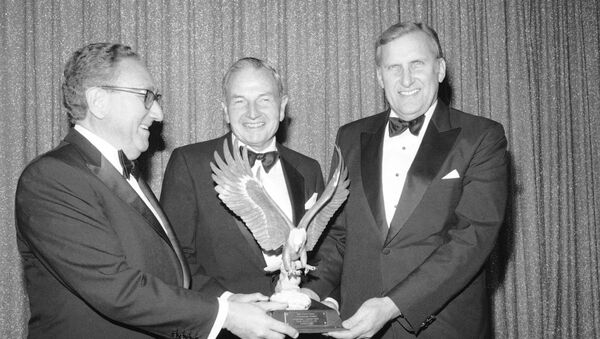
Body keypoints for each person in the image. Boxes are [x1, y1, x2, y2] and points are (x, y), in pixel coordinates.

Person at [15, 43, 298, 339]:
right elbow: (116, 288)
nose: (159, 114)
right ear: (98, 101)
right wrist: (224, 315)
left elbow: (165, 273)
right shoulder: (53, 177)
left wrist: (222, 301)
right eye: (146, 97)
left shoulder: (126, 174)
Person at [303, 22, 509, 339]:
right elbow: (338, 235)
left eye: (417, 64)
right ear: (379, 76)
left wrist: (392, 305)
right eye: (394, 67)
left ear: (440, 69)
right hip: (357, 326)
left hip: (443, 327)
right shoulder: (350, 137)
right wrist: (311, 293)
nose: (407, 79)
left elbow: (472, 240)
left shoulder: (482, 137)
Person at [160, 57, 324, 333]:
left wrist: (313, 293)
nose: (252, 113)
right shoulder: (189, 163)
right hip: (224, 328)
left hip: (298, 330)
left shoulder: (309, 168)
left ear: (282, 107)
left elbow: (326, 250)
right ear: (224, 110)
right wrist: (227, 304)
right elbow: (173, 257)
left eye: (264, 100)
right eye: (239, 101)